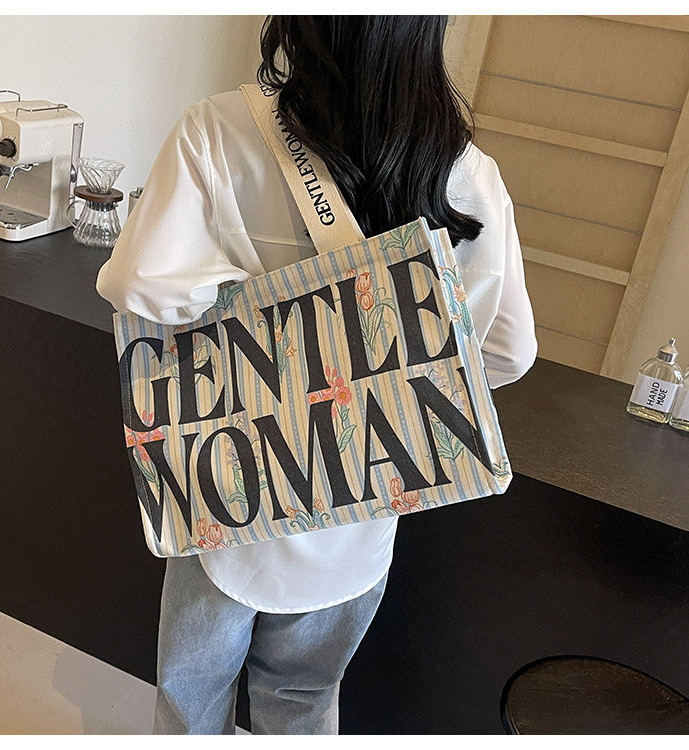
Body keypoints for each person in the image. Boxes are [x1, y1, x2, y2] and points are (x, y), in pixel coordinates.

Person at [96, 15, 537, 735]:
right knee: (303, 698)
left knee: (191, 698)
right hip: (362, 499)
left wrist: (255, 316)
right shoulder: (468, 174)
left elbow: (136, 284)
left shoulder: (217, 130)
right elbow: (509, 352)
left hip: (228, 491)